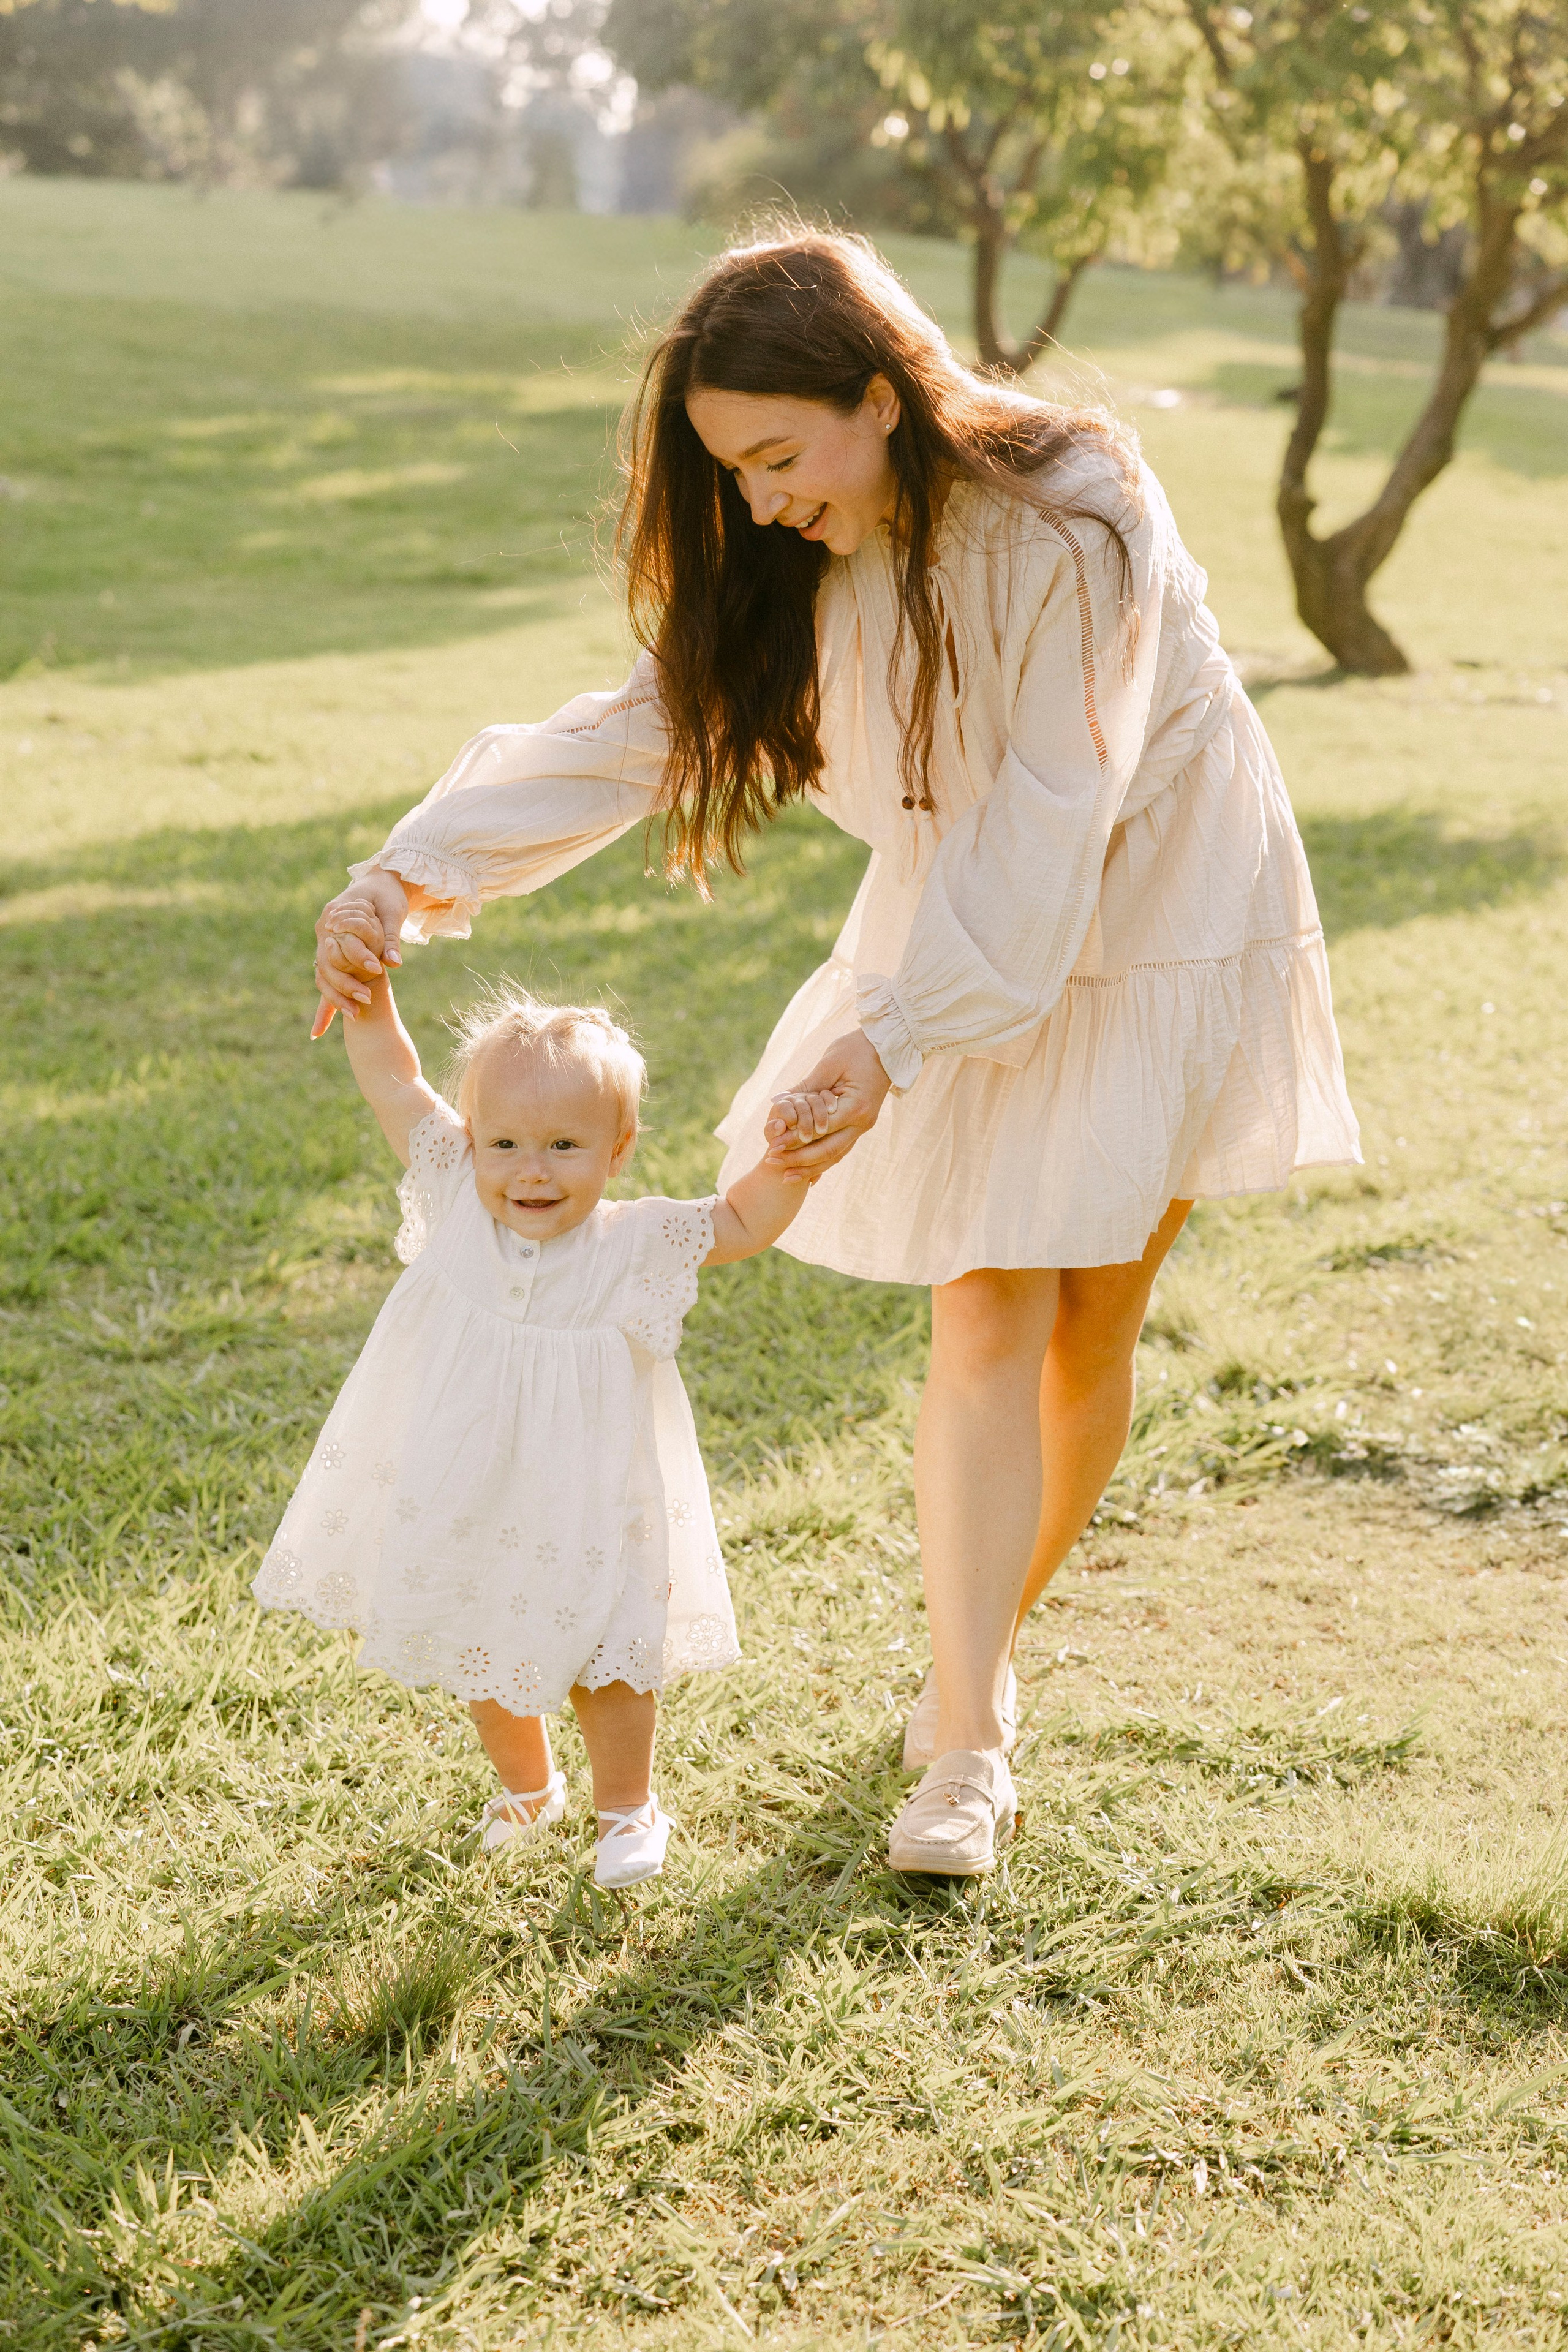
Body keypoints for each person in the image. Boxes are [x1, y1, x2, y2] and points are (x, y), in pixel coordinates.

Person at [310, 228, 1360, 1879]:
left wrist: (899, 1038)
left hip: (1154, 890)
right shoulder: (799, 563)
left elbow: (1054, 808)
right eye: (730, 472)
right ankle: (967, 1742)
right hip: (968, 904)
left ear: (882, 397)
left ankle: (978, 1648)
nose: (759, 502)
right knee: (990, 1291)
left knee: (1094, 1322)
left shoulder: (1079, 512)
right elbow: (639, 729)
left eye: (779, 457)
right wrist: (407, 873)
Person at [253, 973, 824, 1888]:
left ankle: (628, 1809)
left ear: (618, 1149)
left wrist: (791, 1160)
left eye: (564, 1145)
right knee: (483, 1641)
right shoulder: (450, 1191)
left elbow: (743, 1219)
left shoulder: (637, 1241)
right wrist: (368, 998)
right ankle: (528, 1790)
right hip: (470, 1486)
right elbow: (396, 1081)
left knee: (608, 1654)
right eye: (506, 1142)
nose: (531, 1169)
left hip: (590, 1493)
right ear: (471, 1140)